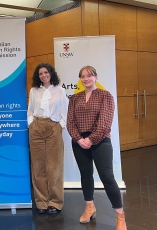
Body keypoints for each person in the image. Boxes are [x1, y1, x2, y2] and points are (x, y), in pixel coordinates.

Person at [67, 66, 127, 230]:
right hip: (79, 142)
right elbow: (70, 123)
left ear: (96, 77)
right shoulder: (74, 98)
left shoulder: (105, 95)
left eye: (89, 75)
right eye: (82, 76)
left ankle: (120, 216)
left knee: (107, 177)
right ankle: (89, 207)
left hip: (100, 141)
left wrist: (91, 140)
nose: (86, 79)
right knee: (86, 175)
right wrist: (79, 139)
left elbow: (105, 122)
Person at [27, 63, 68, 214]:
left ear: (51, 73)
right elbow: (30, 109)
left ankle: (55, 202)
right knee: (38, 166)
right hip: (36, 126)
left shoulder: (60, 90)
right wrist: (31, 124)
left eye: (46, 72)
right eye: (40, 74)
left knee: (54, 165)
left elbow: (65, 111)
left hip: (53, 127)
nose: (43, 75)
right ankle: (41, 202)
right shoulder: (33, 91)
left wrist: (60, 126)